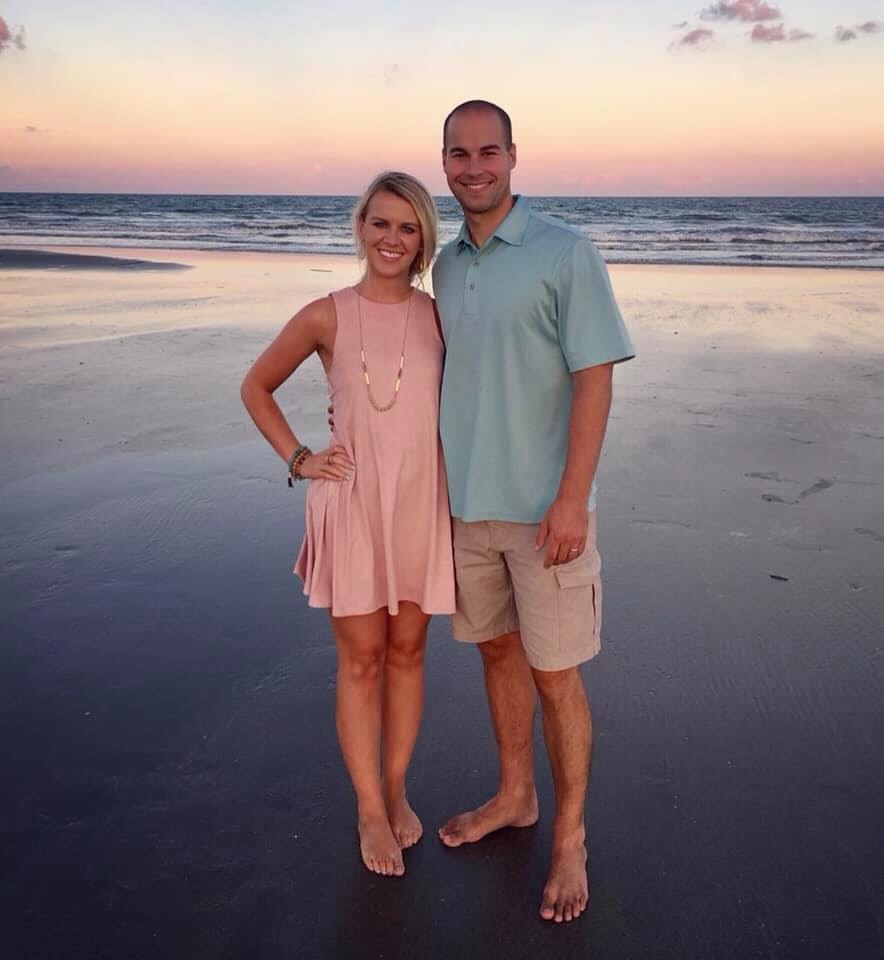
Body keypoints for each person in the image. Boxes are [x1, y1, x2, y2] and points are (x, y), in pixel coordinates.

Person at [432, 101, 635, 923]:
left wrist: (573, 497)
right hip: (467, 505)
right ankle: (516, 795)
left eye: (488, 151)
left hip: (546, 511)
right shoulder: (445, 265)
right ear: (444, 162)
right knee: (496, 654)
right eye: (459, 153)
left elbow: (595, 375)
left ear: (513, 156)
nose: (473, 167)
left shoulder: (564, 252)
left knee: (555, 674)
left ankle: (570, 837)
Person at [241, 172, 455, 879]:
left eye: (408, 227)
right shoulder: (325, 315)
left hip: (421, 502)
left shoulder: (439, 316)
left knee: (409, 653)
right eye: (380, 223)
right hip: (355, 501)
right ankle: (368, 807)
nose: (393, 238)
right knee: (362, 660)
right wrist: (299, 458)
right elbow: (255, 386)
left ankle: (395, 790)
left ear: (423, 239)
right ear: (361, 227)